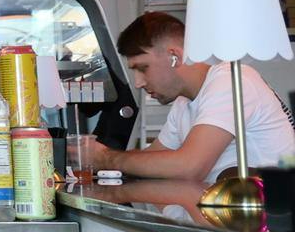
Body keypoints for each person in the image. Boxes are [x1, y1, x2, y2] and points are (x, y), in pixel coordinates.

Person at [76, 10, 295, 179]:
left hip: (269, 222)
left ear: (174, 56)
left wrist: (105, 158)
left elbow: (190, 167)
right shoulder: (183, 102)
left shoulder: (230, 80)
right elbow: (153, 158)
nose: (138, 82)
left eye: (143, 68)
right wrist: (92, 155)